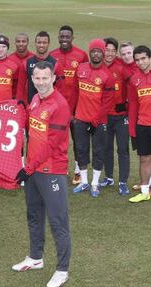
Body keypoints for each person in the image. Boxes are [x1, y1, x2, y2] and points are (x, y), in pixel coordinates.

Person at [12, 61, 71, 287]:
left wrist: (27, 168)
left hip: (51, 171)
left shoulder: (60, 105)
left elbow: (50, 146)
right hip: (33, 169)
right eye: (37, 78)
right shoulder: (35, 99)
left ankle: (62, 270)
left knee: (58, 222)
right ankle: (36, 257)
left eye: (45, 78)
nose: (41, 82)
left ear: (53, 79)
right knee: (34, 215)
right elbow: (30, 129)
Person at [72, 39, 115, 198]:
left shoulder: (108, 76)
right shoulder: (81, 68)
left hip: (99, 121)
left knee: (98, 151)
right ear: (90, 53)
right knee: (81, 150)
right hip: (81, 119)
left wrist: (95, 120)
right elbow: (76, 92)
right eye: (93, 51)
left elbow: (107, 102)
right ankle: (84, 181)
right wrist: (73, 113)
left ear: (103, 54)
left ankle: (95, 183)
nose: (96, 54)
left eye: (99, 51)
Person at [50, 25, 89, 185]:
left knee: (78, 142)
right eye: (62, 36)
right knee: (56, 141)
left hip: (76, 108)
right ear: (58, 38)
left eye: (67, 36)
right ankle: (58, 168)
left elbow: (86, 81)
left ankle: (79, 171)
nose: (64, 39)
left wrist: (77, 109)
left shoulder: (81, 55)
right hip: (57, 108)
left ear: (72, 38)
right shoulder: (52, 56)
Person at [99, 37, 131, 195]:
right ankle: (109, 177)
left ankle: (123, 181)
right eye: (107, 50)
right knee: (106, 147)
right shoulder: (98, 66)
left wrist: (127, 104)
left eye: (113, 50)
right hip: (105, 116)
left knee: (123, 149)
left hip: (121, 116)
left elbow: (133, 85)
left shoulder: (121, 66)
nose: (110, 53)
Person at [128, 45, 151, 203]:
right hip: (143, 125)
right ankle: (144, 191)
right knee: (144, 159)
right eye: (137, 60)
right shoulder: (134, 79)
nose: (141, 62)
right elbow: (133, 106)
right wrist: (132, 129)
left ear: (149, 58)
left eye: (143, 58)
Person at [23, 31, 64, 105]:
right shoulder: (26, 63)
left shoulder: (56, 64)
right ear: (35, 43)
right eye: (39, 42)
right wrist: (23, 105)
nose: (41, 45)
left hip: (50, 106)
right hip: (31, 105)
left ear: (48, 44)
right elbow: (21, 88)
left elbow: (61, 89)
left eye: (44, 43)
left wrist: (57, 105)